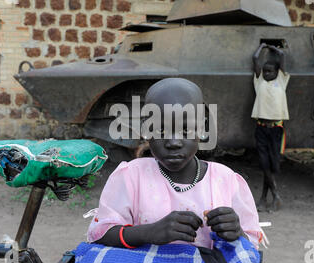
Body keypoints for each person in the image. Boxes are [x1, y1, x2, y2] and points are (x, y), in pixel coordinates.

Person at [87, 78, 262, 251]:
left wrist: (237, 232)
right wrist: (148, 232)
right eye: (161, 130)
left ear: (202, 128)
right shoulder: (130, 176)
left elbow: (252, 245)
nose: (173, 142)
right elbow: (100, 234)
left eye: (185, 130)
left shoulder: (226, 181)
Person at [252, 43, 290, 212]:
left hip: (276, 129)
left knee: (272, 164)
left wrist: (274, 49)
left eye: (270, 71)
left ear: (277, 73)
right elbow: (255, 59)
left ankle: (263, 199)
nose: (267, 74)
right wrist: (261, 47)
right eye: (265, 71)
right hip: (261, 128)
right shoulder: (259, 82)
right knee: (263, 163)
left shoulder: (281, 81)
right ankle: (275, 196)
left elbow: (282, 57)